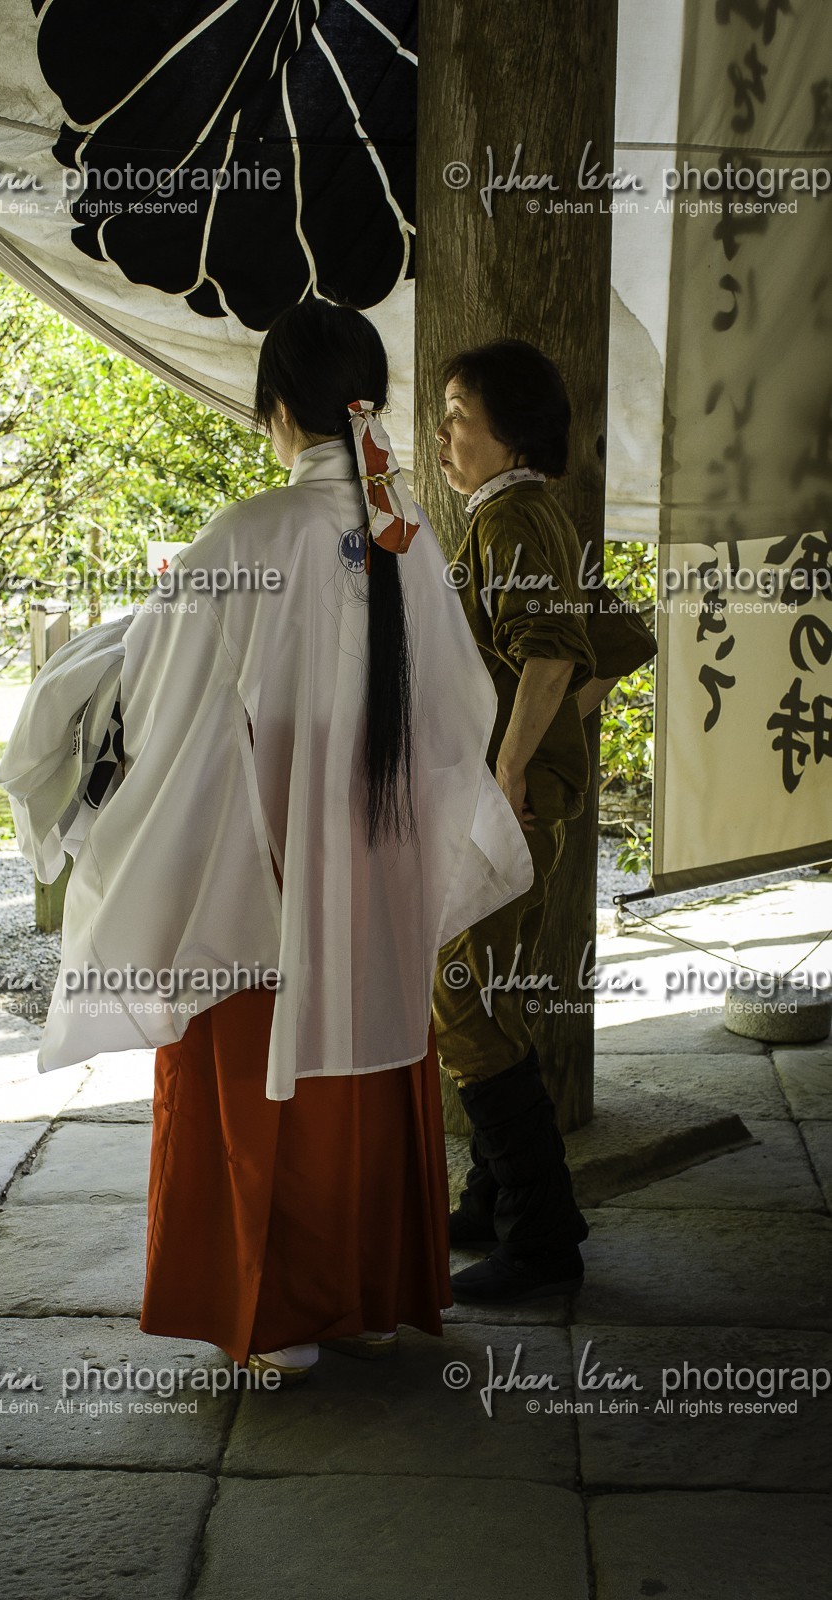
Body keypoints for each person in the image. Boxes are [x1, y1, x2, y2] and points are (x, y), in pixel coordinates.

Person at [0, 300, 534, 1382]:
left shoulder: (249, 533)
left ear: (277, 406)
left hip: (266, 861)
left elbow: (158, 699)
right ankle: (368, 1297)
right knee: (369, 1073)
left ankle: (274, 1316)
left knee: (254, 1080)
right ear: (366, 400)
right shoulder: (406, 532)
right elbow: (455, 708)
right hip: (374, 859)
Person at [432, 337, 657, 1306]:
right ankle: (494, 1198)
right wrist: (546, 742)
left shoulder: (513, 517)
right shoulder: (519, 515)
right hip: (511, 796)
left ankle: (540, 1231)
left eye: (455, 416)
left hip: (503, 803)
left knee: (461, 999)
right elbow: (620, 637)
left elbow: (553, 652)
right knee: (479, 989)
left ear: (506, 432)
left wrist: (514, 766)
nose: (442, 435)